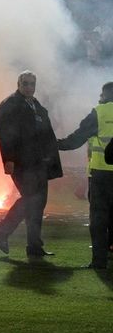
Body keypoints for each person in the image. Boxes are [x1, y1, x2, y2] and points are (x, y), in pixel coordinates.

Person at [0, 71, 62, 258]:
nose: (29, 87)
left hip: (38, 162)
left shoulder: (35, 105)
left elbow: (45, 132)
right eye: (25, 83)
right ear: (18, 83)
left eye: (32, 84)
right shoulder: (10, 104)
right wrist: (8, 159)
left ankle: (34, 246)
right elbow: (3, 134)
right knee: (32, 199)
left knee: (38, 203)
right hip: (22, 163)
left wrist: (51, 155)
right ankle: (3, 231)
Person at [58, 82, 113, 269]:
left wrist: (54, 144)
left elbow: (76, 139)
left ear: (106, 94)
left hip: (101, 174)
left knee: (99, 218)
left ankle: (99, 261)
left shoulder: (99, 112)